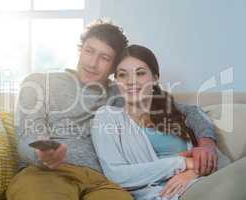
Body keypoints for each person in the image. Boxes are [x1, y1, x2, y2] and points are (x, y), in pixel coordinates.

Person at [6, 20, 219, 200]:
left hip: (102, 182)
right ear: (80, 50)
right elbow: (27, 135)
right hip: (46, 173)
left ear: (113, 68)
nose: (92, 63)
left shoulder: (121, 92)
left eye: (105, 58)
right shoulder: (40, 82)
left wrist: (207, 143)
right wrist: (43, 150)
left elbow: (189, 112)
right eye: (89, 51)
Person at [91, 44, 231, 200]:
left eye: (140, 73)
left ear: (155, 78)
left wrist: (194, 171)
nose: (131, 81)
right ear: (116, 81)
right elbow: (116, 175)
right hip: (166, 194)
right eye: (123, 75)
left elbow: (217, 158)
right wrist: (183, 163)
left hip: (203, 180)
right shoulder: (107, 116)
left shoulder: (174, 112)